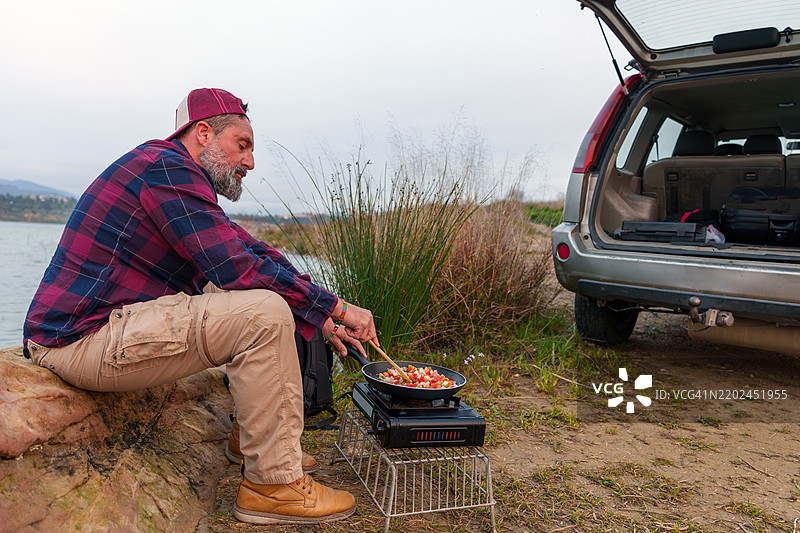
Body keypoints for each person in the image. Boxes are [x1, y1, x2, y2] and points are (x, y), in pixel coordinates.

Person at [23, 88, 377, 525]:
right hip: (80, 340)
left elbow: (251, 249)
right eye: (242, 145)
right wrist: (337, 309)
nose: (250, 162)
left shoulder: (176, 178)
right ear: (204, 133)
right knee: (262, 312)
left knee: (250, 297)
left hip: (102, 330)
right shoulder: (166, 167)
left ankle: (253, 443)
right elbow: (237, 268)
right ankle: (272, 486)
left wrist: (320, 313)